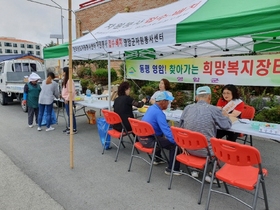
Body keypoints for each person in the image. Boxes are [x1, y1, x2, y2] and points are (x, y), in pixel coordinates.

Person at [180, 86, 232, 181]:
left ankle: (194, 169)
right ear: (209, 98)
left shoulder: (187, 108)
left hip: (188, 148)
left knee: (196, 135)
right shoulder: (214, 109)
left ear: (196, 98)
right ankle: (211, 174)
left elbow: (181, 127)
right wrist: (225, 115)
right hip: (207, 152)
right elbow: (226, 125)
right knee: (218, 145)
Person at [140, 91, 181, 175]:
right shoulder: (159, 113)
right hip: (149, 140)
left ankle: (157, 158)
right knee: (174, 145)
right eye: (168, 102)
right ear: (163, 102)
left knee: (159, 134)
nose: (169, 104)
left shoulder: (151, 108)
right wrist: (177, 141)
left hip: (141, 138)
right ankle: (172, 169)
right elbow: (166, 130)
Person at [61, 67, 77, 135]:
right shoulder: (66, 80)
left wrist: (67, 99)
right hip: (66, 99)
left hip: (69, 100)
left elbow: (72, 91)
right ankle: (70, 127)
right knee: (69, 114)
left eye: (63, 72)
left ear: (66, 72)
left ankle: (74, 128)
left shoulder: (69, 80)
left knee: (71, 114)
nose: (62, 73)